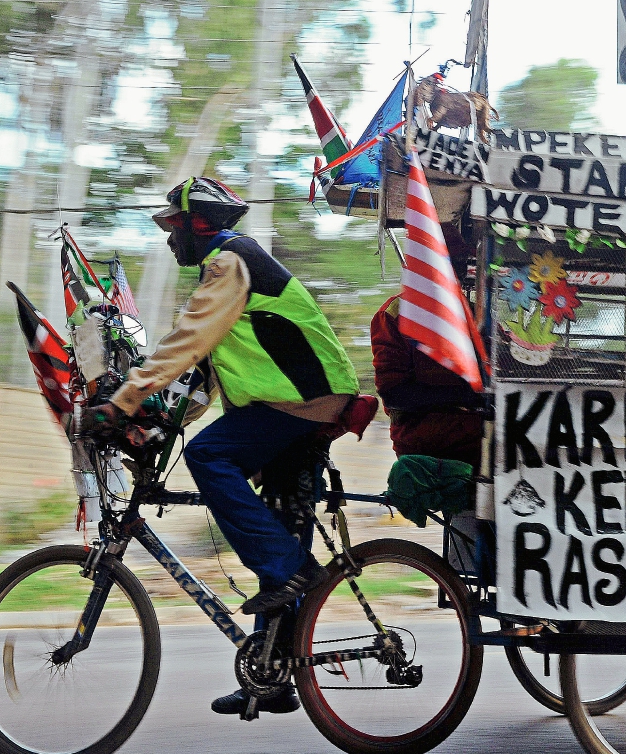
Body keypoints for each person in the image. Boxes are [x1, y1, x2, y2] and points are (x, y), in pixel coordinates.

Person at [83, 177, 359, 715]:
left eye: (173, 228)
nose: (168, 240)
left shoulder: (229, 261)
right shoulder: (234, 269)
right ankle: (274, 677)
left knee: (210, 458)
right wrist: (152, 424)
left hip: (302, 403)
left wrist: (121, 400)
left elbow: (185, 341)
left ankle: (286, 567)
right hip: (298, 406)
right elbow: (203, 375)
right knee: (273, 532)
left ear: (198, 225)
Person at [370, 224, 484, 470]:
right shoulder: (395, 314)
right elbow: (394, 393)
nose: (460, 268)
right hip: (425, 446)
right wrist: (464, 396)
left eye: (462, 260)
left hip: (482, 444)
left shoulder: (473, 314)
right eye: (452, 260)